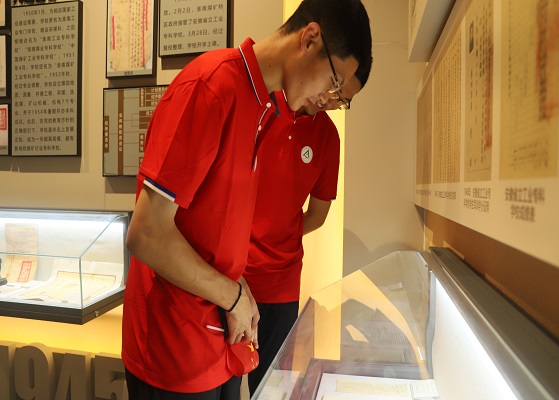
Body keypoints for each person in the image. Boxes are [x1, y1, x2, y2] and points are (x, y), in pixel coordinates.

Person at [121, 0, 373, 399]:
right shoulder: (211, 86)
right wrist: (234, 295)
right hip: (174, 346)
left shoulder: (260, 104)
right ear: (310, 39)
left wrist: (236, 289)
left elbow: (212, 221)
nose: (328, 97)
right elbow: (147, 233)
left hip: (215, 335)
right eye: (334, 81)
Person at [243, 62, 372, 396]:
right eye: (334, 88)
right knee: (223, 379)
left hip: (281, 281)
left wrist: (280, 232)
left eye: (341, 100)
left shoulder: (328, 137)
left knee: (271, 384)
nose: (330, 101)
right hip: (233, 272)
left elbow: (318, 214)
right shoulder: (263, 106)